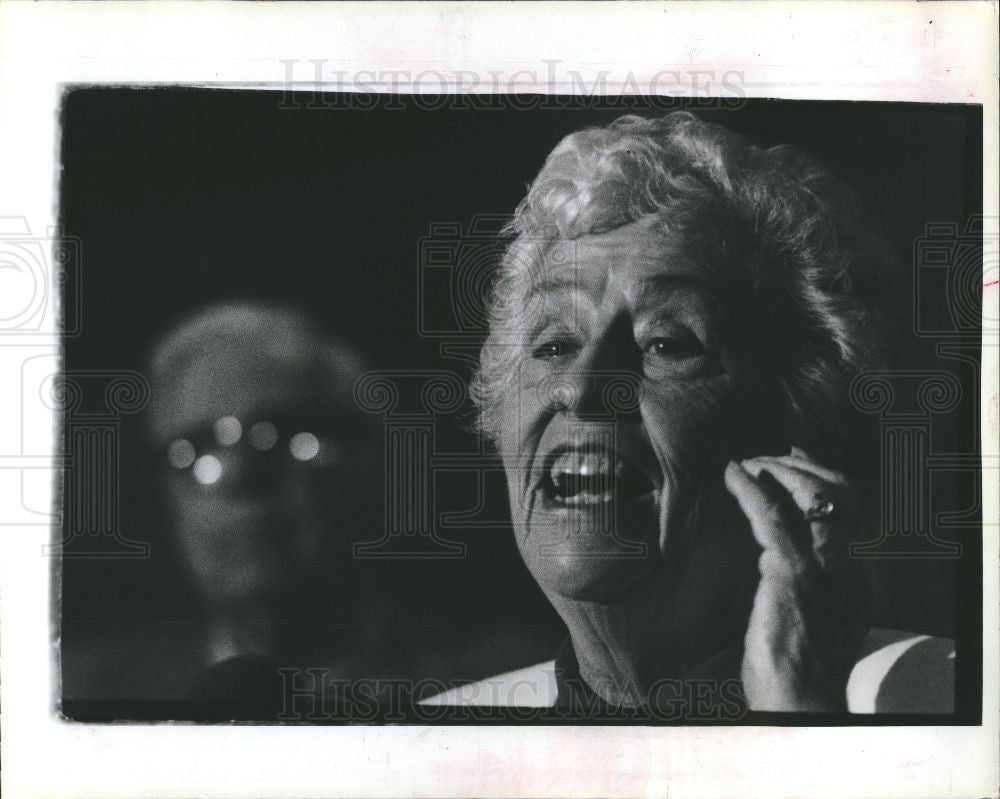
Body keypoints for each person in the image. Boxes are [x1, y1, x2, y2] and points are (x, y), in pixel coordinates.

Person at [423, 112, 954, 718]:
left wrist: (796, 710)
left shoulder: (941, 697)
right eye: (554, 346)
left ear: (801, 416)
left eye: (665, 343)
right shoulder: (449, 733)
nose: (582, 386)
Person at [146, 301, 385, 716]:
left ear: (365, 462)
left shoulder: (501, 682)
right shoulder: (82, 694)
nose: (239, 474)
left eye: (280, 432)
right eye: (198, 446)